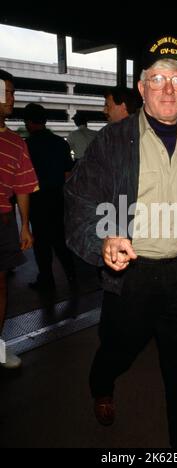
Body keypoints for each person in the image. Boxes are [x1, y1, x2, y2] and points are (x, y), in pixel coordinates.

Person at [64, 35, 177, 448]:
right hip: (133, 273)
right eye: (158, 78)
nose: (168, 88)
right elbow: (78, 198)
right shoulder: (113, 140)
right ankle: (102, 382)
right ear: (142, 88)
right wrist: (103, 241)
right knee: (118, 348)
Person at [0, 70, 39, 368]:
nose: (12, 98)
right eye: (8, 92)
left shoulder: (16, 142)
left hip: (3, 220)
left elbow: (23, 187)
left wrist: (24, 225)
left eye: (12, 91)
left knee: (1, 286)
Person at [24, 103, 75, 291]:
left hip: (36, 201)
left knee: (42, 244)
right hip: (57, 198)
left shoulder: (26, 146)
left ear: (28, 122)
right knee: (60, 239)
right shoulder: (60, 143)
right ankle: (72, 276)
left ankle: (47, 280)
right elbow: (68, 175)